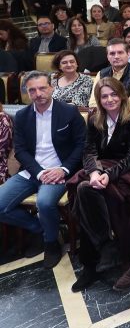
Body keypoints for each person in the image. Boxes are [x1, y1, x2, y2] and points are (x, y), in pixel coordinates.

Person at [68, 78, 130, 291]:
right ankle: (105, 247)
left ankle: (95, 262)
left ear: (122, 94)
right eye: (104, 96)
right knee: (88, 190)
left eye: (114, 94)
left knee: (86, 194)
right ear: (99, 99)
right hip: (101, 171)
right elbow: (89, 150)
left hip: (129, 173)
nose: (110, 99)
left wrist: (108, 175)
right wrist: (94, 172)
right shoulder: (95, 118)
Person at [0, 71, 86, 268]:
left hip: (60, 170)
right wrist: (38, 172)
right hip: (32, 171)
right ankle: (40, 229)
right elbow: (20, 150)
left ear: (52, 88)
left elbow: (81, 145)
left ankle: (50, 244)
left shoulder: (69, 112)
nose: (38, 93)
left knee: (45, 203)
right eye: (32, 90)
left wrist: (63, 169)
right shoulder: (22, 116)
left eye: (42, 88)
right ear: (27, 93)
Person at [89, 39, 130, 109]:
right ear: (107, 57)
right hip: (104, 117)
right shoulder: (101, 73)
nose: (116, 56)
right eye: (112, 53)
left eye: (120, 52)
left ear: (128, 54)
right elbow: (93, 103)